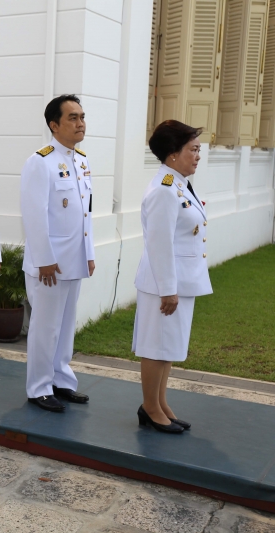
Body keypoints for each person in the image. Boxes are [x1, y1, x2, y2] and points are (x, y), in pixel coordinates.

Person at [133, 120, 212, 434]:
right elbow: (159, 243)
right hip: (163, 285)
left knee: (168, 348)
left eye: (197, 150)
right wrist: (168, 290)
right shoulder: (165, 189)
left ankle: (160, 402)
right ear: (172, 154)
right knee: (156, 346)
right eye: (192, 149)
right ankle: (150, 408)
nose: (197, 156)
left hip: (180, 281)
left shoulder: (178, 183)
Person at [20, 94, 95, 413]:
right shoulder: (41, 161)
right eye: (72, 118)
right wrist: (44, 259)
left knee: (66, 325)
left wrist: (88, 252)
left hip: (73, 258)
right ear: (54, 125)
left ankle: (62, 380)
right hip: (49, 262)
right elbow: (34, 214)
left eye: (81, 117)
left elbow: (85, 215)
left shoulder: (81, 160)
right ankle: (39, 387)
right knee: (45, 326)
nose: (80, 123)